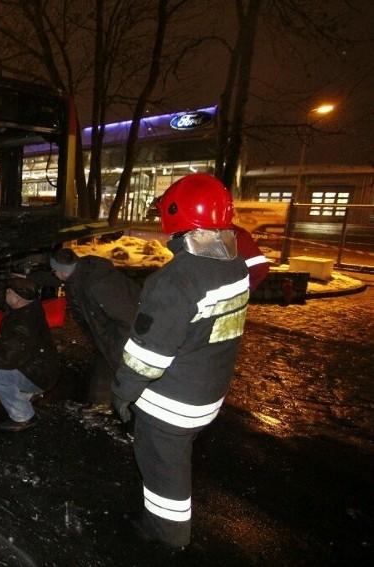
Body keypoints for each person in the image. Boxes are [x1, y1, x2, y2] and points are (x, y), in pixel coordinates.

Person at [111, 173, 250, 549]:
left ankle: (166, 537)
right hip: (209, 394)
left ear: (177, 218)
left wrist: (122, 394)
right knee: (175, 460)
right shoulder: (236, 266)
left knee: (163, 469)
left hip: (171, 406)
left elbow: (147, 357)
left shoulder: (174, 281)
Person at [50, 248, 140, 416]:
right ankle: (101, 402)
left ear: (62, 272)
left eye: (54, 271)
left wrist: (117, 344)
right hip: (106, 328)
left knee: (125, 369)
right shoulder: (77, 275)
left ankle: (138, 411)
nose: (54, 274)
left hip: (122, 330)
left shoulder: (98, 284)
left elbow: (126, 317)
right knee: (103, 362)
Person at [0, 269, 60, 432]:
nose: (5, 293)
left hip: (39, 375)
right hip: (28, 365)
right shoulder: (27, 304)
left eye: (8, 292)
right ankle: (25, 394)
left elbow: (6, 359)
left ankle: (24, 417)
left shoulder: (23, 327)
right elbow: (0, 297)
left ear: (16, 300)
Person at [232, 224, 270, 290]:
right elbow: (260, 269)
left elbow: (260, 269)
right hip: (230, 296)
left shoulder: (239, 235)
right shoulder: (238, 234)